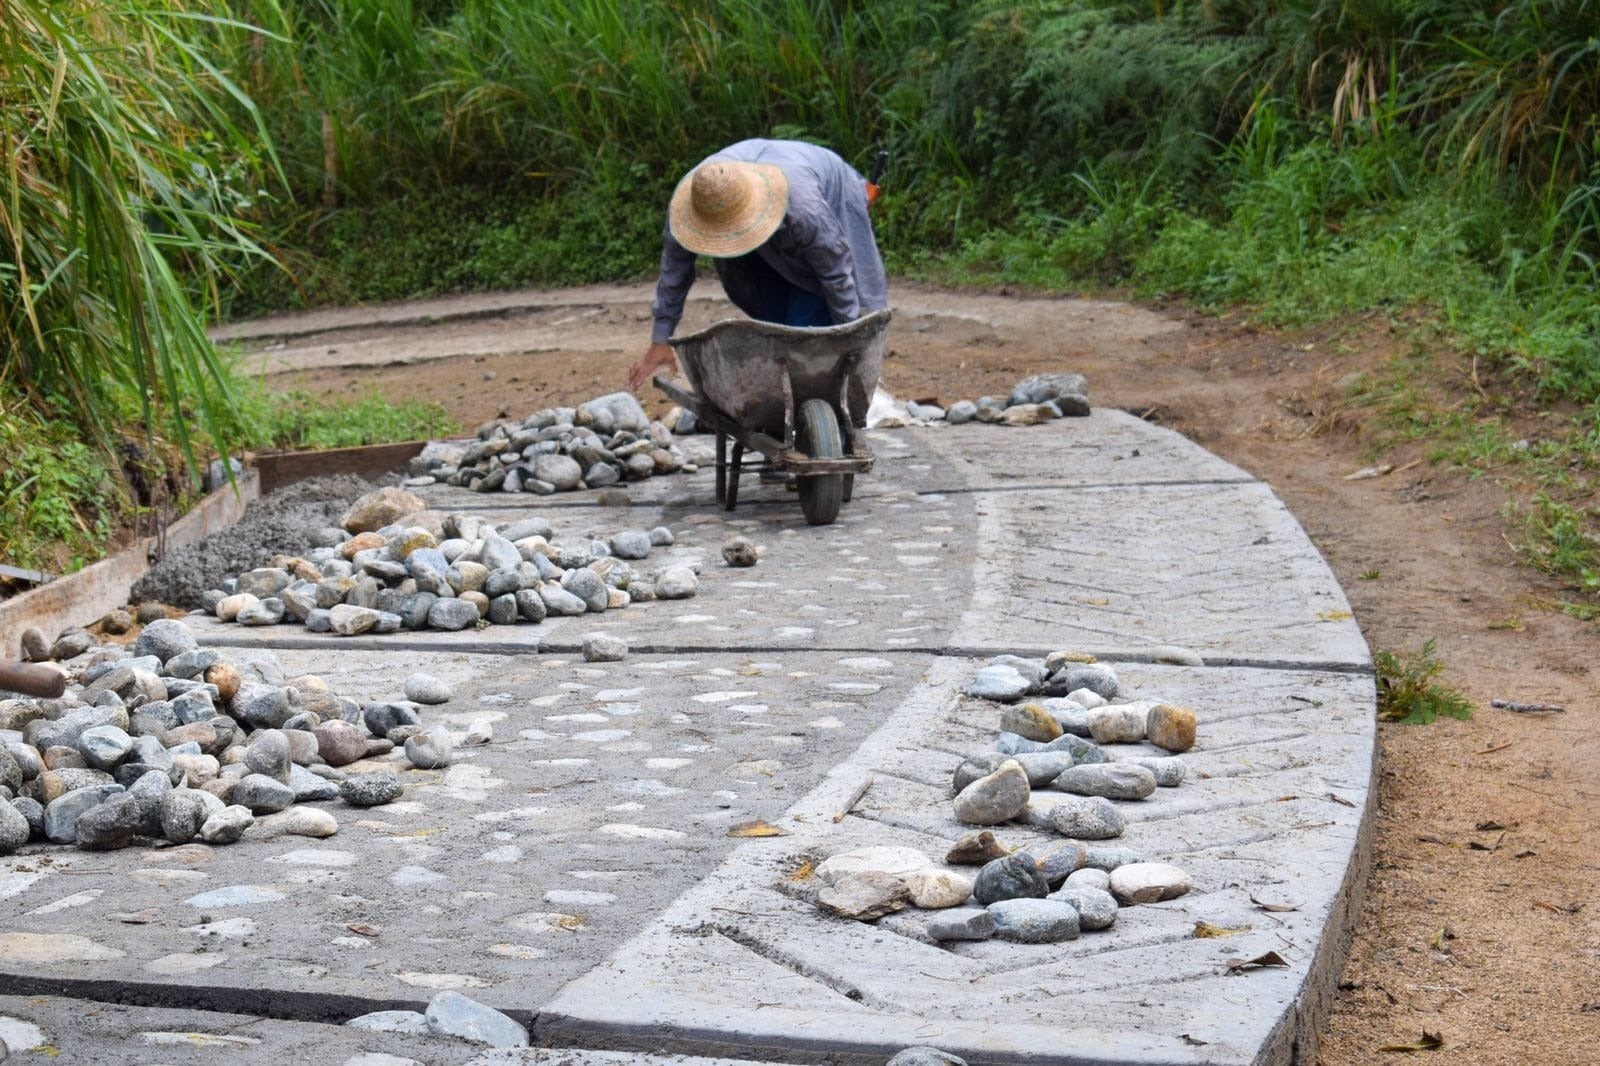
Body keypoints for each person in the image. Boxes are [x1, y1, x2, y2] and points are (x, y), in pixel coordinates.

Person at [627, 138, 888, 393]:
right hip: (774, 211)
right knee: (774, 328)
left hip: (823, 196)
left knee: (804, 330)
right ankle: (788, 388)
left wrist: (849, 339)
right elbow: (675, 272)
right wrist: (660, 339)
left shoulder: (804, 210)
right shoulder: (695, 199)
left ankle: (816, 392)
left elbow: (836, 274)